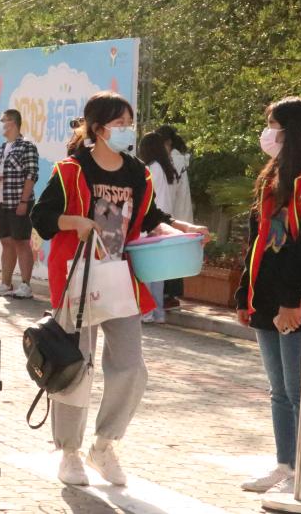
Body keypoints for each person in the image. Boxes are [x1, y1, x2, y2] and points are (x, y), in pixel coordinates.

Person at [31, 91, 209, 487]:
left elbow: (149, 216)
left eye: (130, 123)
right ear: (98, 129)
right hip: (77, 278)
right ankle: (69, 452)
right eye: (120, 124)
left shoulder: (136, 172)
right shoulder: (71, 170)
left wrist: (182, 228)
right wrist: (75, 222)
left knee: (131, 367)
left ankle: (104, 445)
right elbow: (42, 217)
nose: (128, 130)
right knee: (74, 365)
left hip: (120, 278)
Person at [234, 97, 301, 495]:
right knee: (279, 391)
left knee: (299, 392)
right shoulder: (273, 178)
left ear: (292, 131)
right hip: (266, 298)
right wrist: (244, 294)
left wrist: (292, 300)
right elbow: (258, 242)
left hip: (294, 301)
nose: (268, 134)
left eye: (273, 126)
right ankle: (286, 464)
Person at [0, 109, 39, 298]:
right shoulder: (2, 147)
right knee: (6, 241)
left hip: (18, 201)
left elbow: (31, 175)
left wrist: (24, 201)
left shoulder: (27, 146)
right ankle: (5, 283)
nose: (1, 124)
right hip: (0, 201)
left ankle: (25, 285)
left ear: (13, 123)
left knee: (21, 241)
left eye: (4, 120)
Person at [136, 132, 179, 324]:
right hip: (163, 224)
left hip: (151, 225)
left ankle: (147, 312)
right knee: (157, 274)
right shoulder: (166, 169)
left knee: (145, 272)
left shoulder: (151, 169)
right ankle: (158, 312)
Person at [155, 125, 193, 309]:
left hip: (173, 214)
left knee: (170, 258)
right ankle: (170, 295)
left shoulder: (172, 161)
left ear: (168, 142)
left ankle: (169, 295)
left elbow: (168, 192)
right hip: (176, 213)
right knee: (173, 257)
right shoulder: (177, 159)